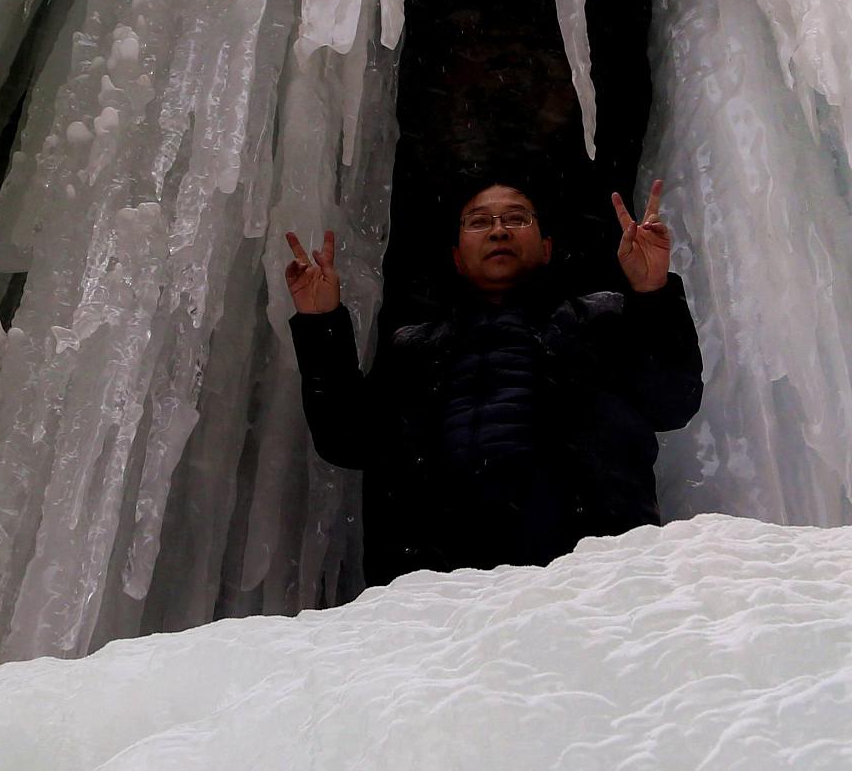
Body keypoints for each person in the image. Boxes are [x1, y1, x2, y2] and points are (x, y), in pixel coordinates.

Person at [282, 177, 703, 584]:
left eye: (517, 219)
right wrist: (320, 324)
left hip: (590, 583)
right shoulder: (414, 348)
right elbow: (348, 438)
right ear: (457, 257)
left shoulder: (602, 321)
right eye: (479, 221)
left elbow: (673, 400)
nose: (499, 230)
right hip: (438, 593)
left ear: (546, 248)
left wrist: (653, 292)